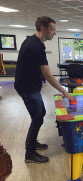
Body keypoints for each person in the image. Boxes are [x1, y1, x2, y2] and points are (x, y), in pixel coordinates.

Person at [14, 16, 75, 163]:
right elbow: (48, 74)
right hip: (27, 87)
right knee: (37, 117)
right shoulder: (36, 46)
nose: (54, 33)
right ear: (43, 29)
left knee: (41, 114)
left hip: (30, 85)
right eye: (52, 29)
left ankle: (32, 143)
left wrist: (38, 80)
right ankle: (29, 154)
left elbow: (31, 66)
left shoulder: (33, 42)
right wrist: (65, 92)